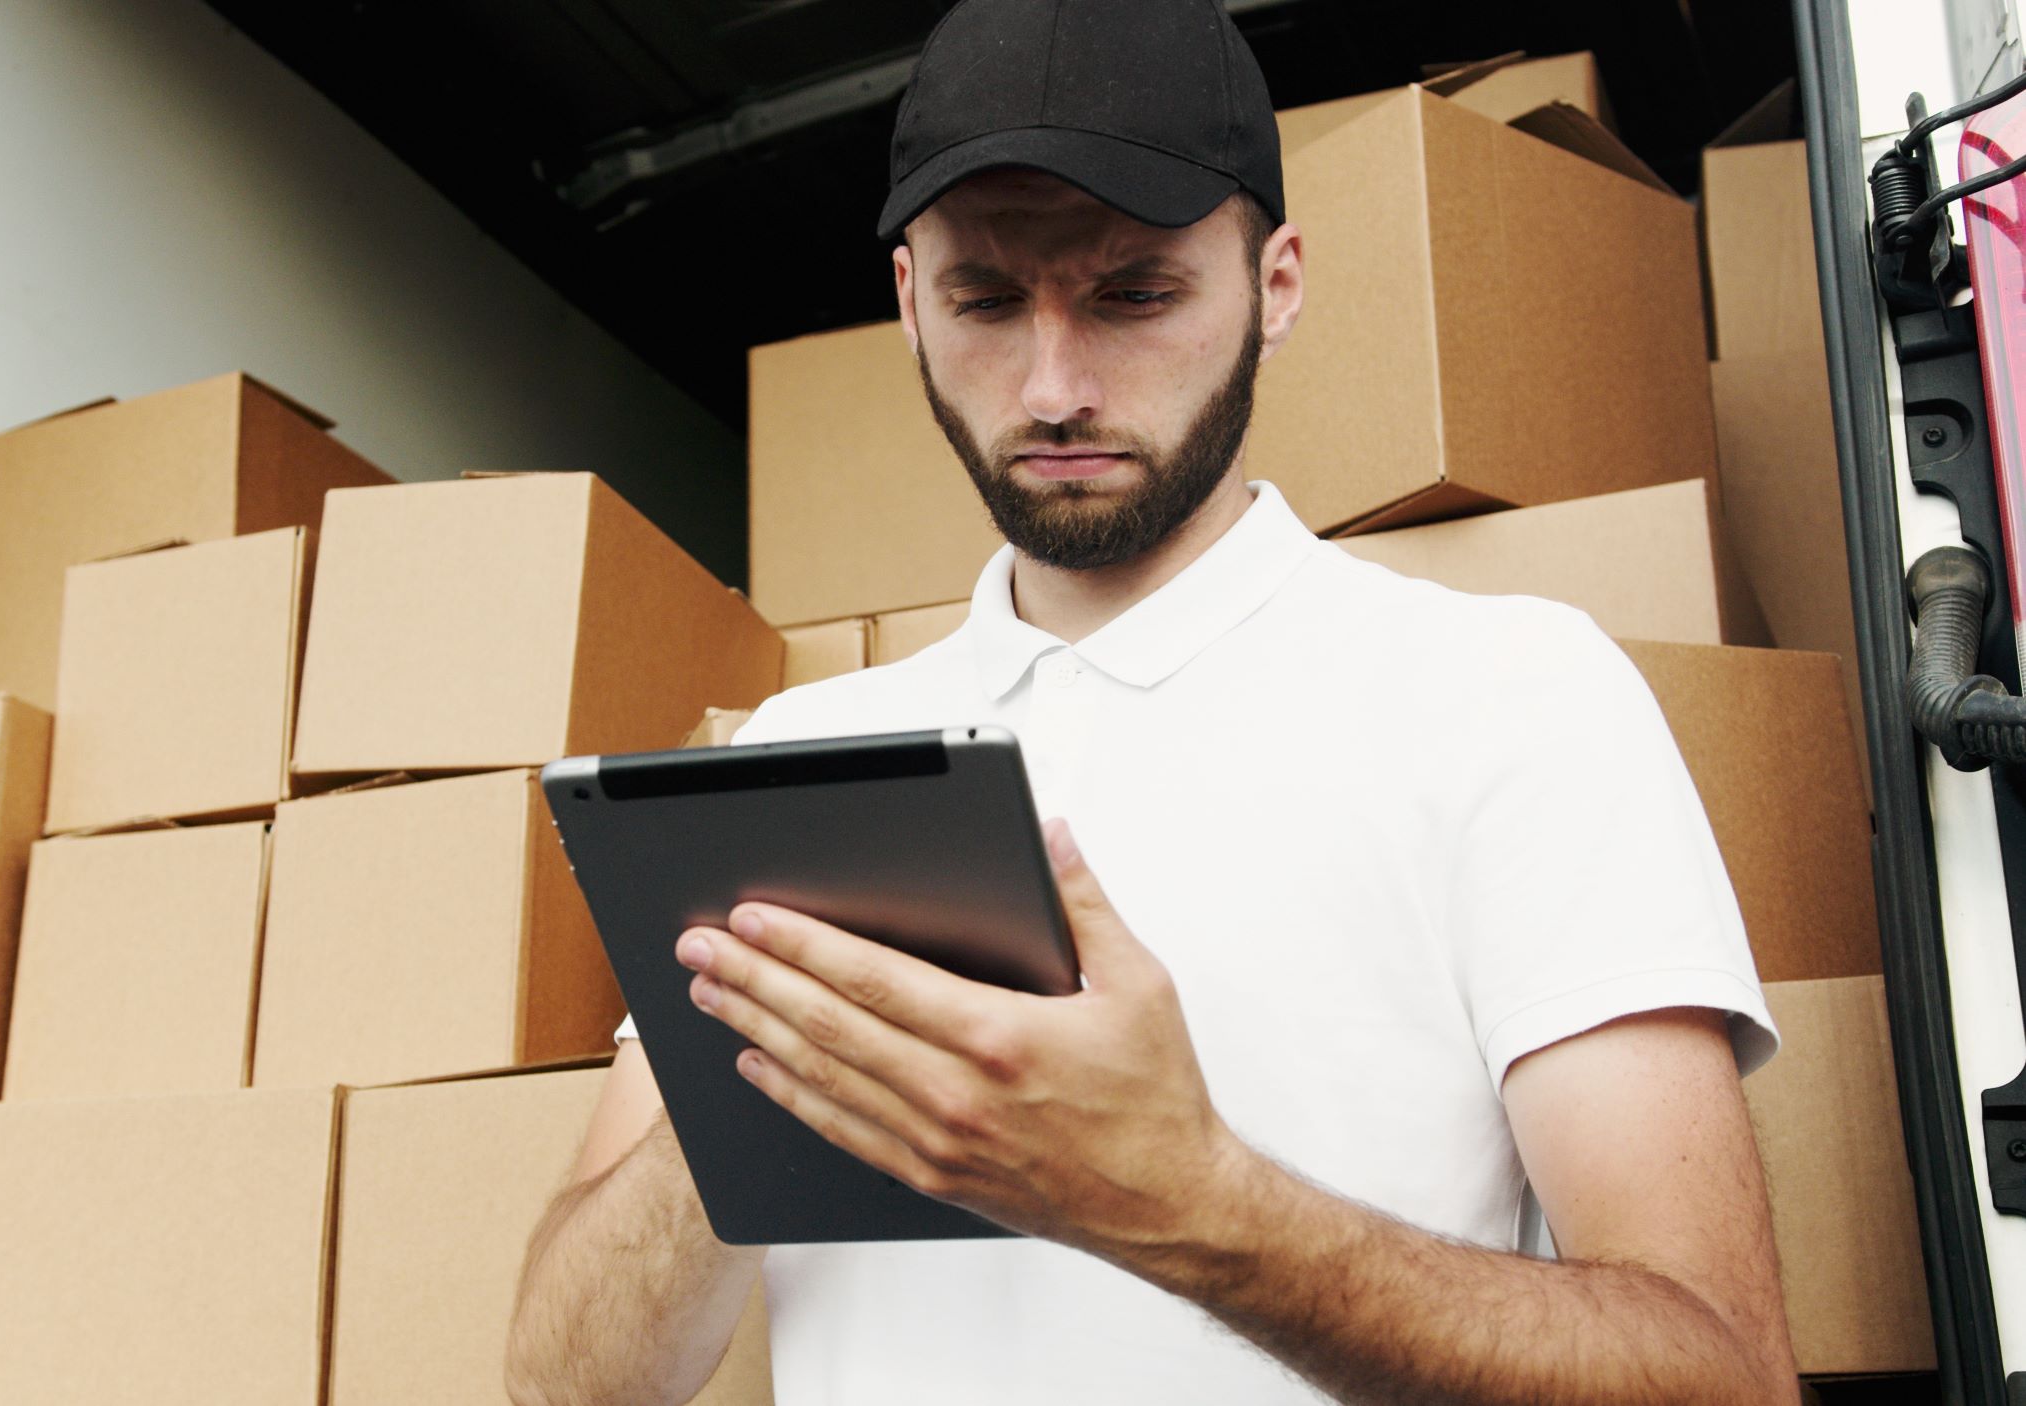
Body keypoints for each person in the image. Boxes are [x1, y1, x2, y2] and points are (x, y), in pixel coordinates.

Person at [505, 0, 1799, 1401]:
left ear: (1278, 282)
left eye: (1135, 293)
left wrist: (1190, 1198)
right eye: (986, 300)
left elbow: (1722, 1375)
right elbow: (567, 1384)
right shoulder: (799, 757)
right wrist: (769, 1074)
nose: (1054, 389)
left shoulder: (1511, 698)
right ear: (905, 303)